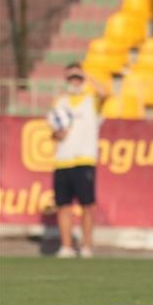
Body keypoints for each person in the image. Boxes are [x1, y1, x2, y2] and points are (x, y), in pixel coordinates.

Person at [48, 64, 107, 258]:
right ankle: (66, 247)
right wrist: (57, 134)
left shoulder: (91, 100)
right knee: (63, 206)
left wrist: (87, 75)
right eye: (71, 77)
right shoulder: (60, 102)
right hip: (62, 160)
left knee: (87, 205)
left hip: (85, 159)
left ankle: (86, 246)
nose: (74, 81)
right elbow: (53, 130)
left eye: (77, 77)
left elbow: (105, 93)